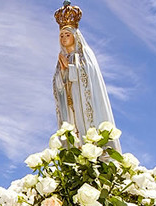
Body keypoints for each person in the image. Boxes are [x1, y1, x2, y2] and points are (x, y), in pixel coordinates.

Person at [52, 1, 121, 152]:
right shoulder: (62, 58)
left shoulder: (84, 54)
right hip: (70, 109)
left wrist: (69, 68)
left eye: (67, 34)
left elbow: (89, 74)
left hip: (84, 105)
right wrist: (63, 72)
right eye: (61, 35)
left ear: (75, 36)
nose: (64, 38)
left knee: (88, 136)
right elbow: (58, 86)